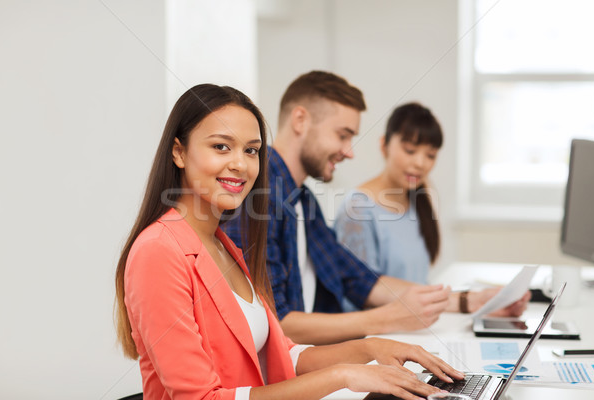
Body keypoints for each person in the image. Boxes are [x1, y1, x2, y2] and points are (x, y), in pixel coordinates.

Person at [114, 84, 464, 400]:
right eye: (221, 147)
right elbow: (201, 398)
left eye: (251, 151)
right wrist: (345, 374)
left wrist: (371, 348)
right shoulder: (159, 250)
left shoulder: (225, 246)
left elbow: (284, 353)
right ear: (178, 152)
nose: (240, 164)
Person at [224, 71, 529, 346]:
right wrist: (386, 319)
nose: (349, 151)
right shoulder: (258, 199)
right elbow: (276, 323)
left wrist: (470, 301)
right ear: (300, 120)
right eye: (342, 135)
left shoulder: (303, 200)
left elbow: (360, 279)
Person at [334, 103, 532, 313]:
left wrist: (483, 303)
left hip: (416, 327)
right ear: (384, 146)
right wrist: (465, 301)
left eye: (430, 155)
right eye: (410, 150)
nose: (420, 163)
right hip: (380, 337)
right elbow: (361, 295)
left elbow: (416, 285)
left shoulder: (416, 201)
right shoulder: (357, 210)